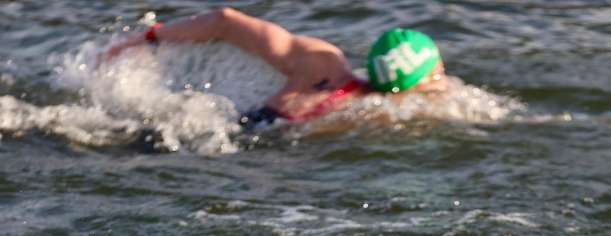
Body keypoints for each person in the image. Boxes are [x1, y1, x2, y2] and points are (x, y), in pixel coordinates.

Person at [101, 7, 447, 128]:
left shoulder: (320, 64)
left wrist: (147, 38)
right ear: (427, 78)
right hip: (253, 157)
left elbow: (225, 20)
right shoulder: (404, 115)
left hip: (231, 129)